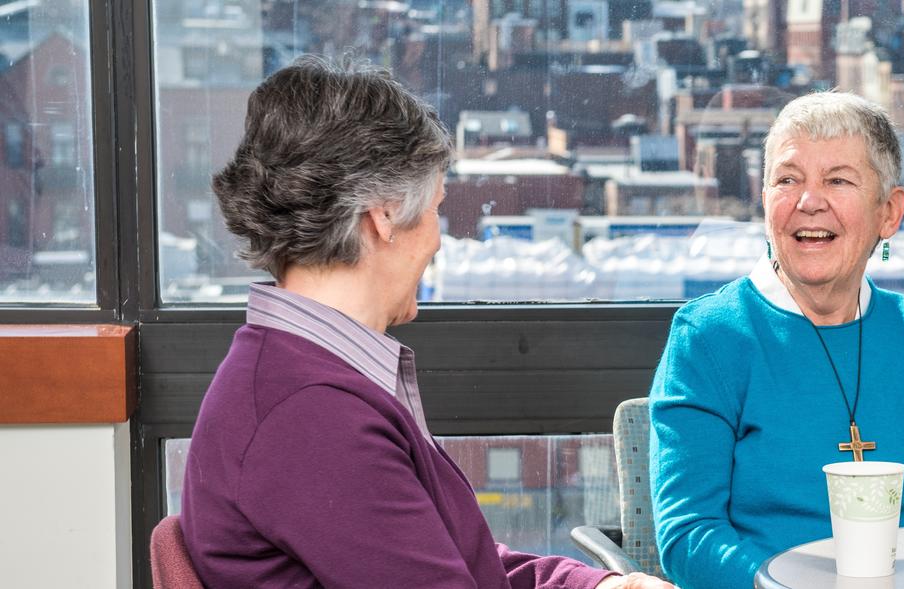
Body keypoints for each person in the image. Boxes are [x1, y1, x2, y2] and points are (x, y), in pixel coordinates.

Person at [179, 55, 673, 589]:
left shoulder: (300, 375)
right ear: (384, 215)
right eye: (437, 209)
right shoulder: (313, 416)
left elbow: (450, 556)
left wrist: (596, 586)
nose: (440, 240)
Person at [647, 91, 904, 589]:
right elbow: (689, 536)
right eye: (787, 179)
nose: (808, 202)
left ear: (889, 212)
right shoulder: (709, 339)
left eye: (837, 180)